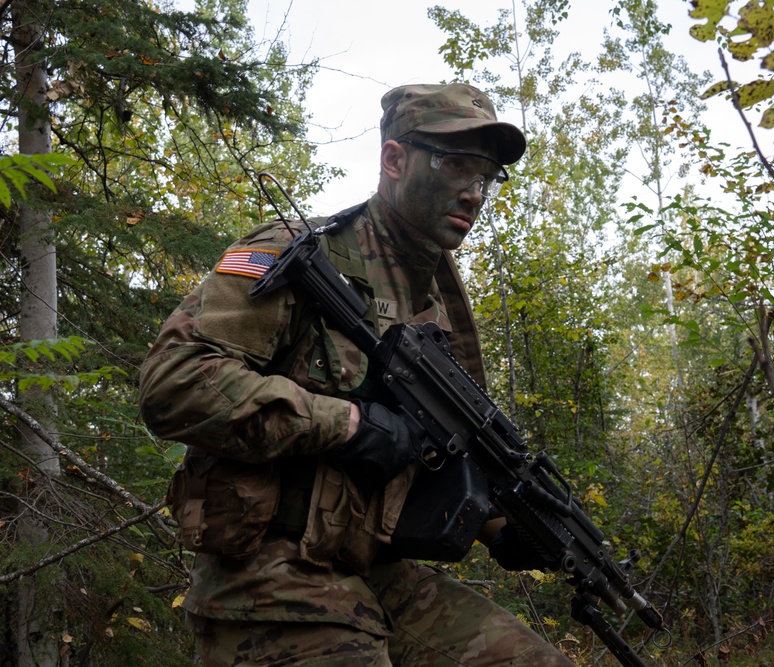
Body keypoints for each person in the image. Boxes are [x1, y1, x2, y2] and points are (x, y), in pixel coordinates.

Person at [139, 83, 574, 666]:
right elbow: (173, 383)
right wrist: (346, 423)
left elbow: (439, 450)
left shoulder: (437, 305)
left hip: (376, 573)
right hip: (271, 574)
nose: (473, 192)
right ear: (394, 160)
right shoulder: (298, 254)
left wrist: (500, 526)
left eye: (487, 176)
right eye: (457, 165)